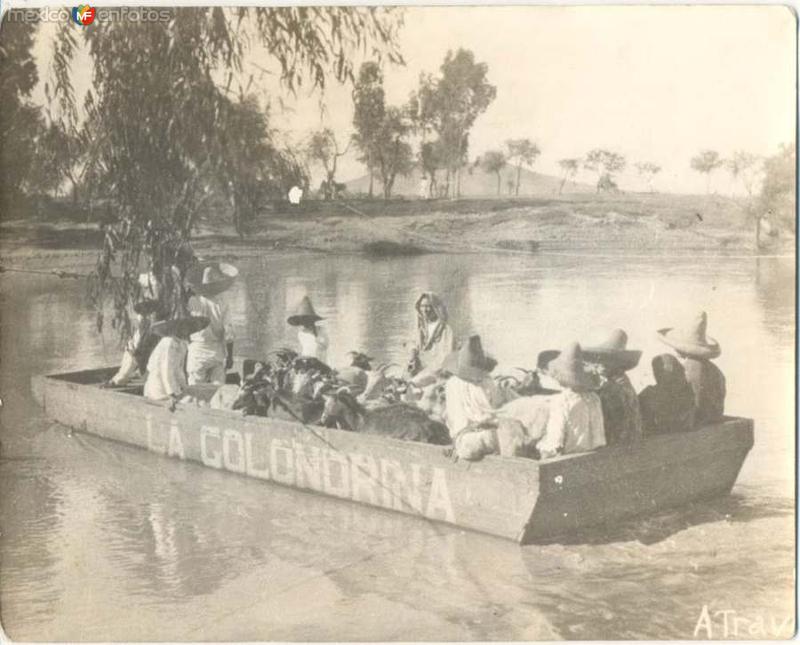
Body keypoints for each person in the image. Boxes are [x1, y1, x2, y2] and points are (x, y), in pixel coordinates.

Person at [537, 342, 606, 458]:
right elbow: (599, 439)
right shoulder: (594, 398)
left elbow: (555, 441)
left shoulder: (561, 401)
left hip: (569, 460)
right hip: (593, 457)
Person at [657, 310, 725, 425]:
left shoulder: (689, 368)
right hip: (714, 419)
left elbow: (690, 404)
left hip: (699, 422)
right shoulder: (715, 370)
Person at [582, 329, 643, 446]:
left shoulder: (612, 388)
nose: (597, 365)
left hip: (617, 448)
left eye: (602, 360)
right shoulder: (622, 381)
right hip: (629, 445)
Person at [185, 262, 238, 385]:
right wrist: (230, 356)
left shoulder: (191, 301)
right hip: (217, 351)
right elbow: (229, 332)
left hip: (197, 350)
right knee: (218, 389)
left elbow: (184, 327)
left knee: (195, 389)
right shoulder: (223, 302)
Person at [144, 316, 210, 403]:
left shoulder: (182, 343)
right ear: (176, 328)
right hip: (158, 386)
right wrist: (171, 393)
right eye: (183, 327)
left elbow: (179, 369)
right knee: (186, 401)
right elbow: (165, 370)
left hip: (171, 384)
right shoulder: (168, 342)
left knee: (193, 399)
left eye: (188, 327)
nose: (186, 330)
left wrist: (184, 387)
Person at [105, 299, 163, 387]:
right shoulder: (145, 325)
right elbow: (140, 342)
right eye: (141, 314)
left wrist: (134, 351)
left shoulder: (149, 326)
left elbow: (144, 345)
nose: (140, 316)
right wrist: (132, 348)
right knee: (127, 362)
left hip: (141, 355)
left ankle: (118, 380)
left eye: (145, 313)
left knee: (129, 363)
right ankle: (116, 380)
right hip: (138, 353)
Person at [639, 354, 696, 435]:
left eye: (658, 370)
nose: (656, 374)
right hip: (684, 431)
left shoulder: (650, 393)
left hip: (662, 435)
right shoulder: (689, 389)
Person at [408, 292, 456, 385]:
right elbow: (413, 343)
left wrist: (430, 370)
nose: (425, 310)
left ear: (436, 308)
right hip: (421, 366)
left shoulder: (446, 329)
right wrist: (412, 357)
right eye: (422, 306)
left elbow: (447, 355)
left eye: (428, 306)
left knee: (413, 383)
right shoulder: (421, 327)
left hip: (438, 369)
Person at [287, 295, 329, 362]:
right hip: (306, 360)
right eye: (303, 321)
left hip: (319, 362)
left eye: (308, 320)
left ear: (312, 320)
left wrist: (317, 337)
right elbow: (305, 349)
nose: (305, 323)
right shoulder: (301, 333)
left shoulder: (321, 330)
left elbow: (325, 346)